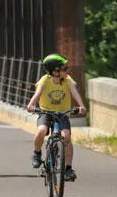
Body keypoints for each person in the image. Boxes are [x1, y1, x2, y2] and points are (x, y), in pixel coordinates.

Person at [26, 53, 86, 181]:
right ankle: (37, 154)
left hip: (62, 113)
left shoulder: (68, 80)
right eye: (64, 69)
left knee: (66, 136)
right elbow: (38, 93)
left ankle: (68, 168)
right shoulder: (45, 80)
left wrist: (81, 106)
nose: (67, 71)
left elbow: (75, 93)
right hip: (46, 112)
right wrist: (31, 105)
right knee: (41, 131)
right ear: (55, 72)